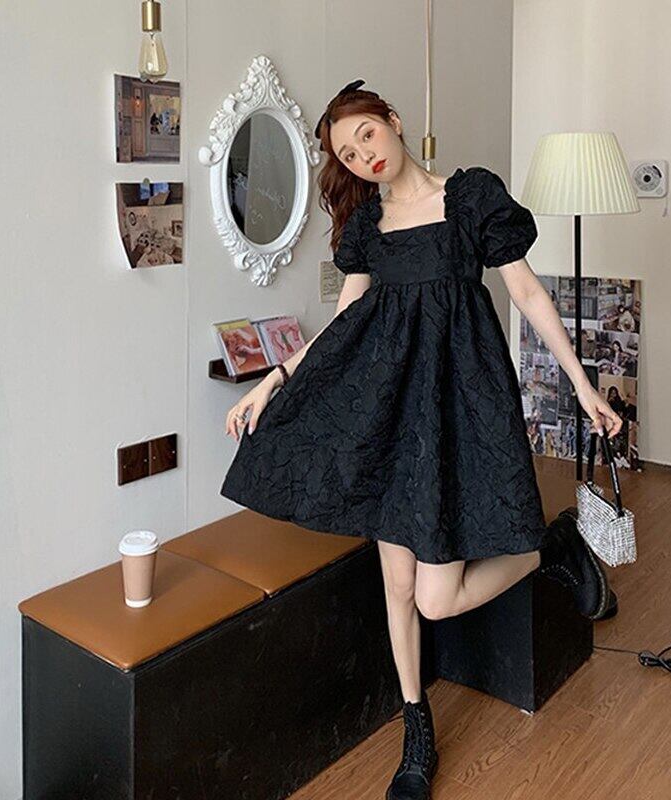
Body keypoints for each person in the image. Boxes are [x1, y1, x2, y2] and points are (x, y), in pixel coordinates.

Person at [219, 79, 623, 800]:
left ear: (394, 121)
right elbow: (343, 326)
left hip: (462, 403)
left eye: (367, 135)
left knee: (437, 599)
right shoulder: (368, 226)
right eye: (348, 154)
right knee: (399, 584)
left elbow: (527, 293)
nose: (363, 156)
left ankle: (554, 546)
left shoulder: (471, 197)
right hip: (391, 411)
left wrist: (583, 385)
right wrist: (271, 382)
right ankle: (416, 725)